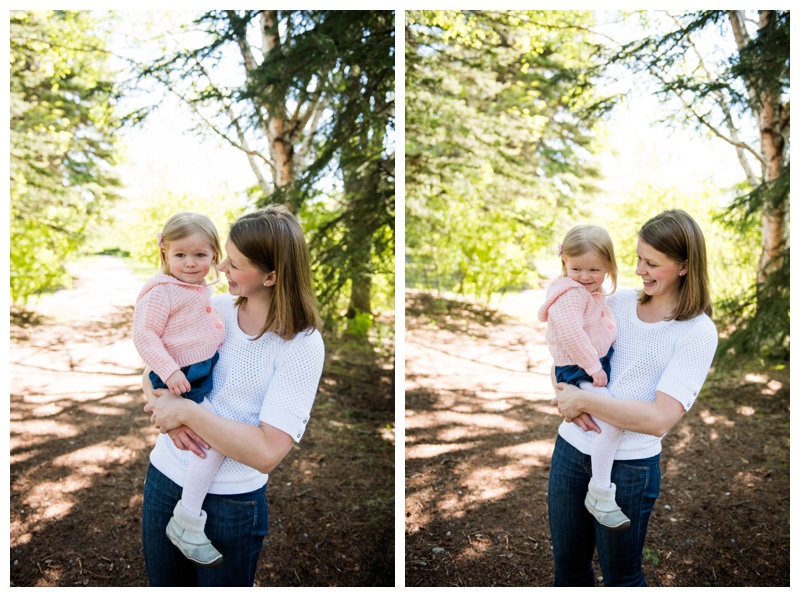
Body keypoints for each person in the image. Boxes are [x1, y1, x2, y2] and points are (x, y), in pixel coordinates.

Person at [141, 205, 325, 587]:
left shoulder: (302, 345)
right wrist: (170, 418)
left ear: (272, 276)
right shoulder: (215, 306)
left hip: (231, 503)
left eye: (236, 263)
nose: (220, 267)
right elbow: (152, 370)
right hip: (164, 478)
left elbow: (266, 453)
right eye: (224, 255)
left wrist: (186, 414)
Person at [548, 209, 718, 586]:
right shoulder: (618, 303)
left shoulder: (697, 332)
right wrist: (562, 392)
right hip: (572, 452)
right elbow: (567, 349)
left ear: (685, 266)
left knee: (622, 578)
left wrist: (584, 401)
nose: (640, 269)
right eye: (639, 257)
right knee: (569, 571)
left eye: (652, 262)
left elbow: (659, 417)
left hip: (630, 468)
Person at [133, 212, 227, 567]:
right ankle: (187, 520)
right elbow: (145, 336)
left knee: (210, 432)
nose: (190, 263)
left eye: (200, 255)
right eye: (181, 255)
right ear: (165, 253)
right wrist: (169, 370)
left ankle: (187, 514)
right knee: (216, 437)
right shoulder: (161, 291)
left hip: (195, 371)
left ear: (214, 256)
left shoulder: (201, 288)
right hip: (177, 374)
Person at [538, 225, 630, 531]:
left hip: (589, 362)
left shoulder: (590, 291)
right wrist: (594, 368)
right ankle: (600, 491)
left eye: (595, 269)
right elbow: (572, 335)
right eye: (576, 268)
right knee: (613, 420)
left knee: (608, 415)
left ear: (609, 267)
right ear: (564, 263)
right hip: (580, 366)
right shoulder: (570, 294)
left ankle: (599, 488)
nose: (585, 275)